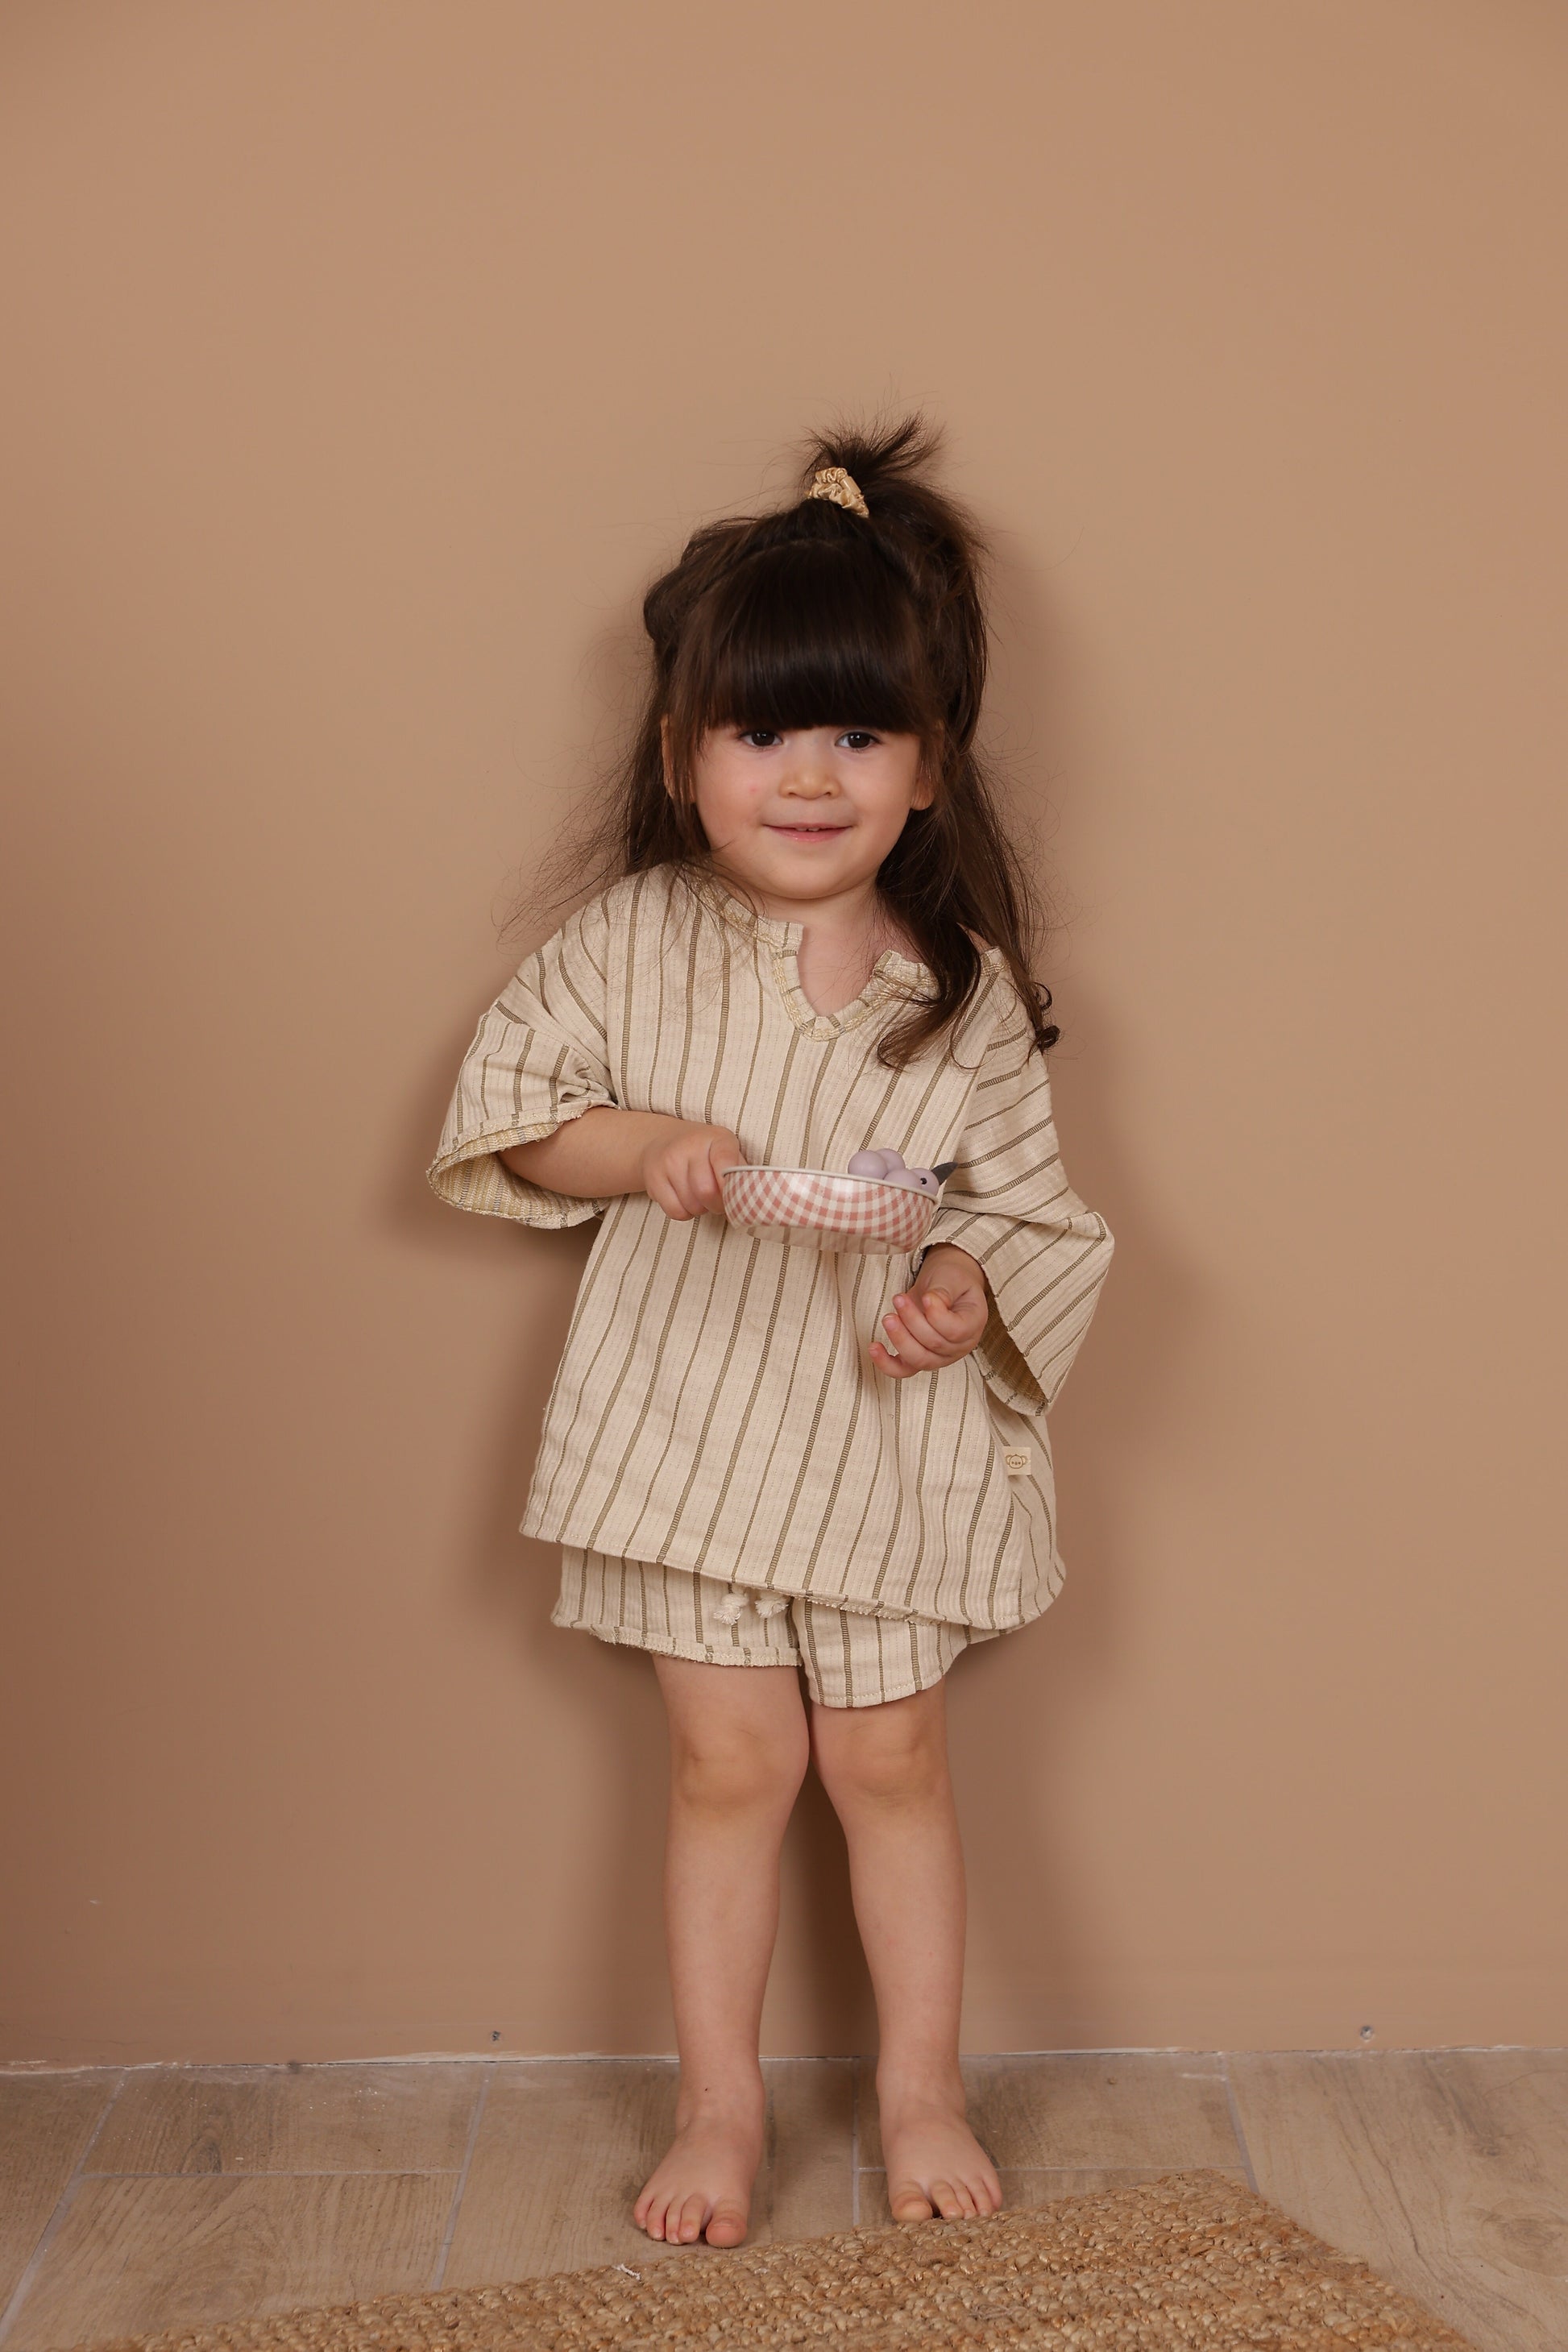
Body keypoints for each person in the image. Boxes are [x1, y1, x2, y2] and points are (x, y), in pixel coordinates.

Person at [427, 417, 1115, 2250]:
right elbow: (512, 1119)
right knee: (730, 1767)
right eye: (759, 734)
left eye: (858, 737)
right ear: (682, 754)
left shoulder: (954, 989)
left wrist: (962, 1287)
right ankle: (719, 2103)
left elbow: (1022, 1209)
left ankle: (920, 2085)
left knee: (890, 1762)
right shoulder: (628, 941)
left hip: (884, 1438)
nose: (808, 776)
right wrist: (645, 1145)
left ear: (927, 762)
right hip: (690, 1425)